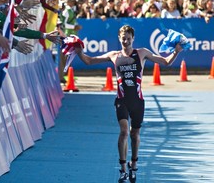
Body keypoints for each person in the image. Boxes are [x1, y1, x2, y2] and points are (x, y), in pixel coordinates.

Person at [74, 25, 183, 183]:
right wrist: (79, 52)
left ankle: (134, 164)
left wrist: (176, 51)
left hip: (137, 101)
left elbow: (165, 62)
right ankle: (123, 169)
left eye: (128, 38)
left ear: (133, 39)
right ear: (119, 38)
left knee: (135, 134)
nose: (125, 41)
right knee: (124, 132)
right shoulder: (114, 55)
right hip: (121, 100)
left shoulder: (142, 53)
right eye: (123, 38)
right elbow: (89, 61)